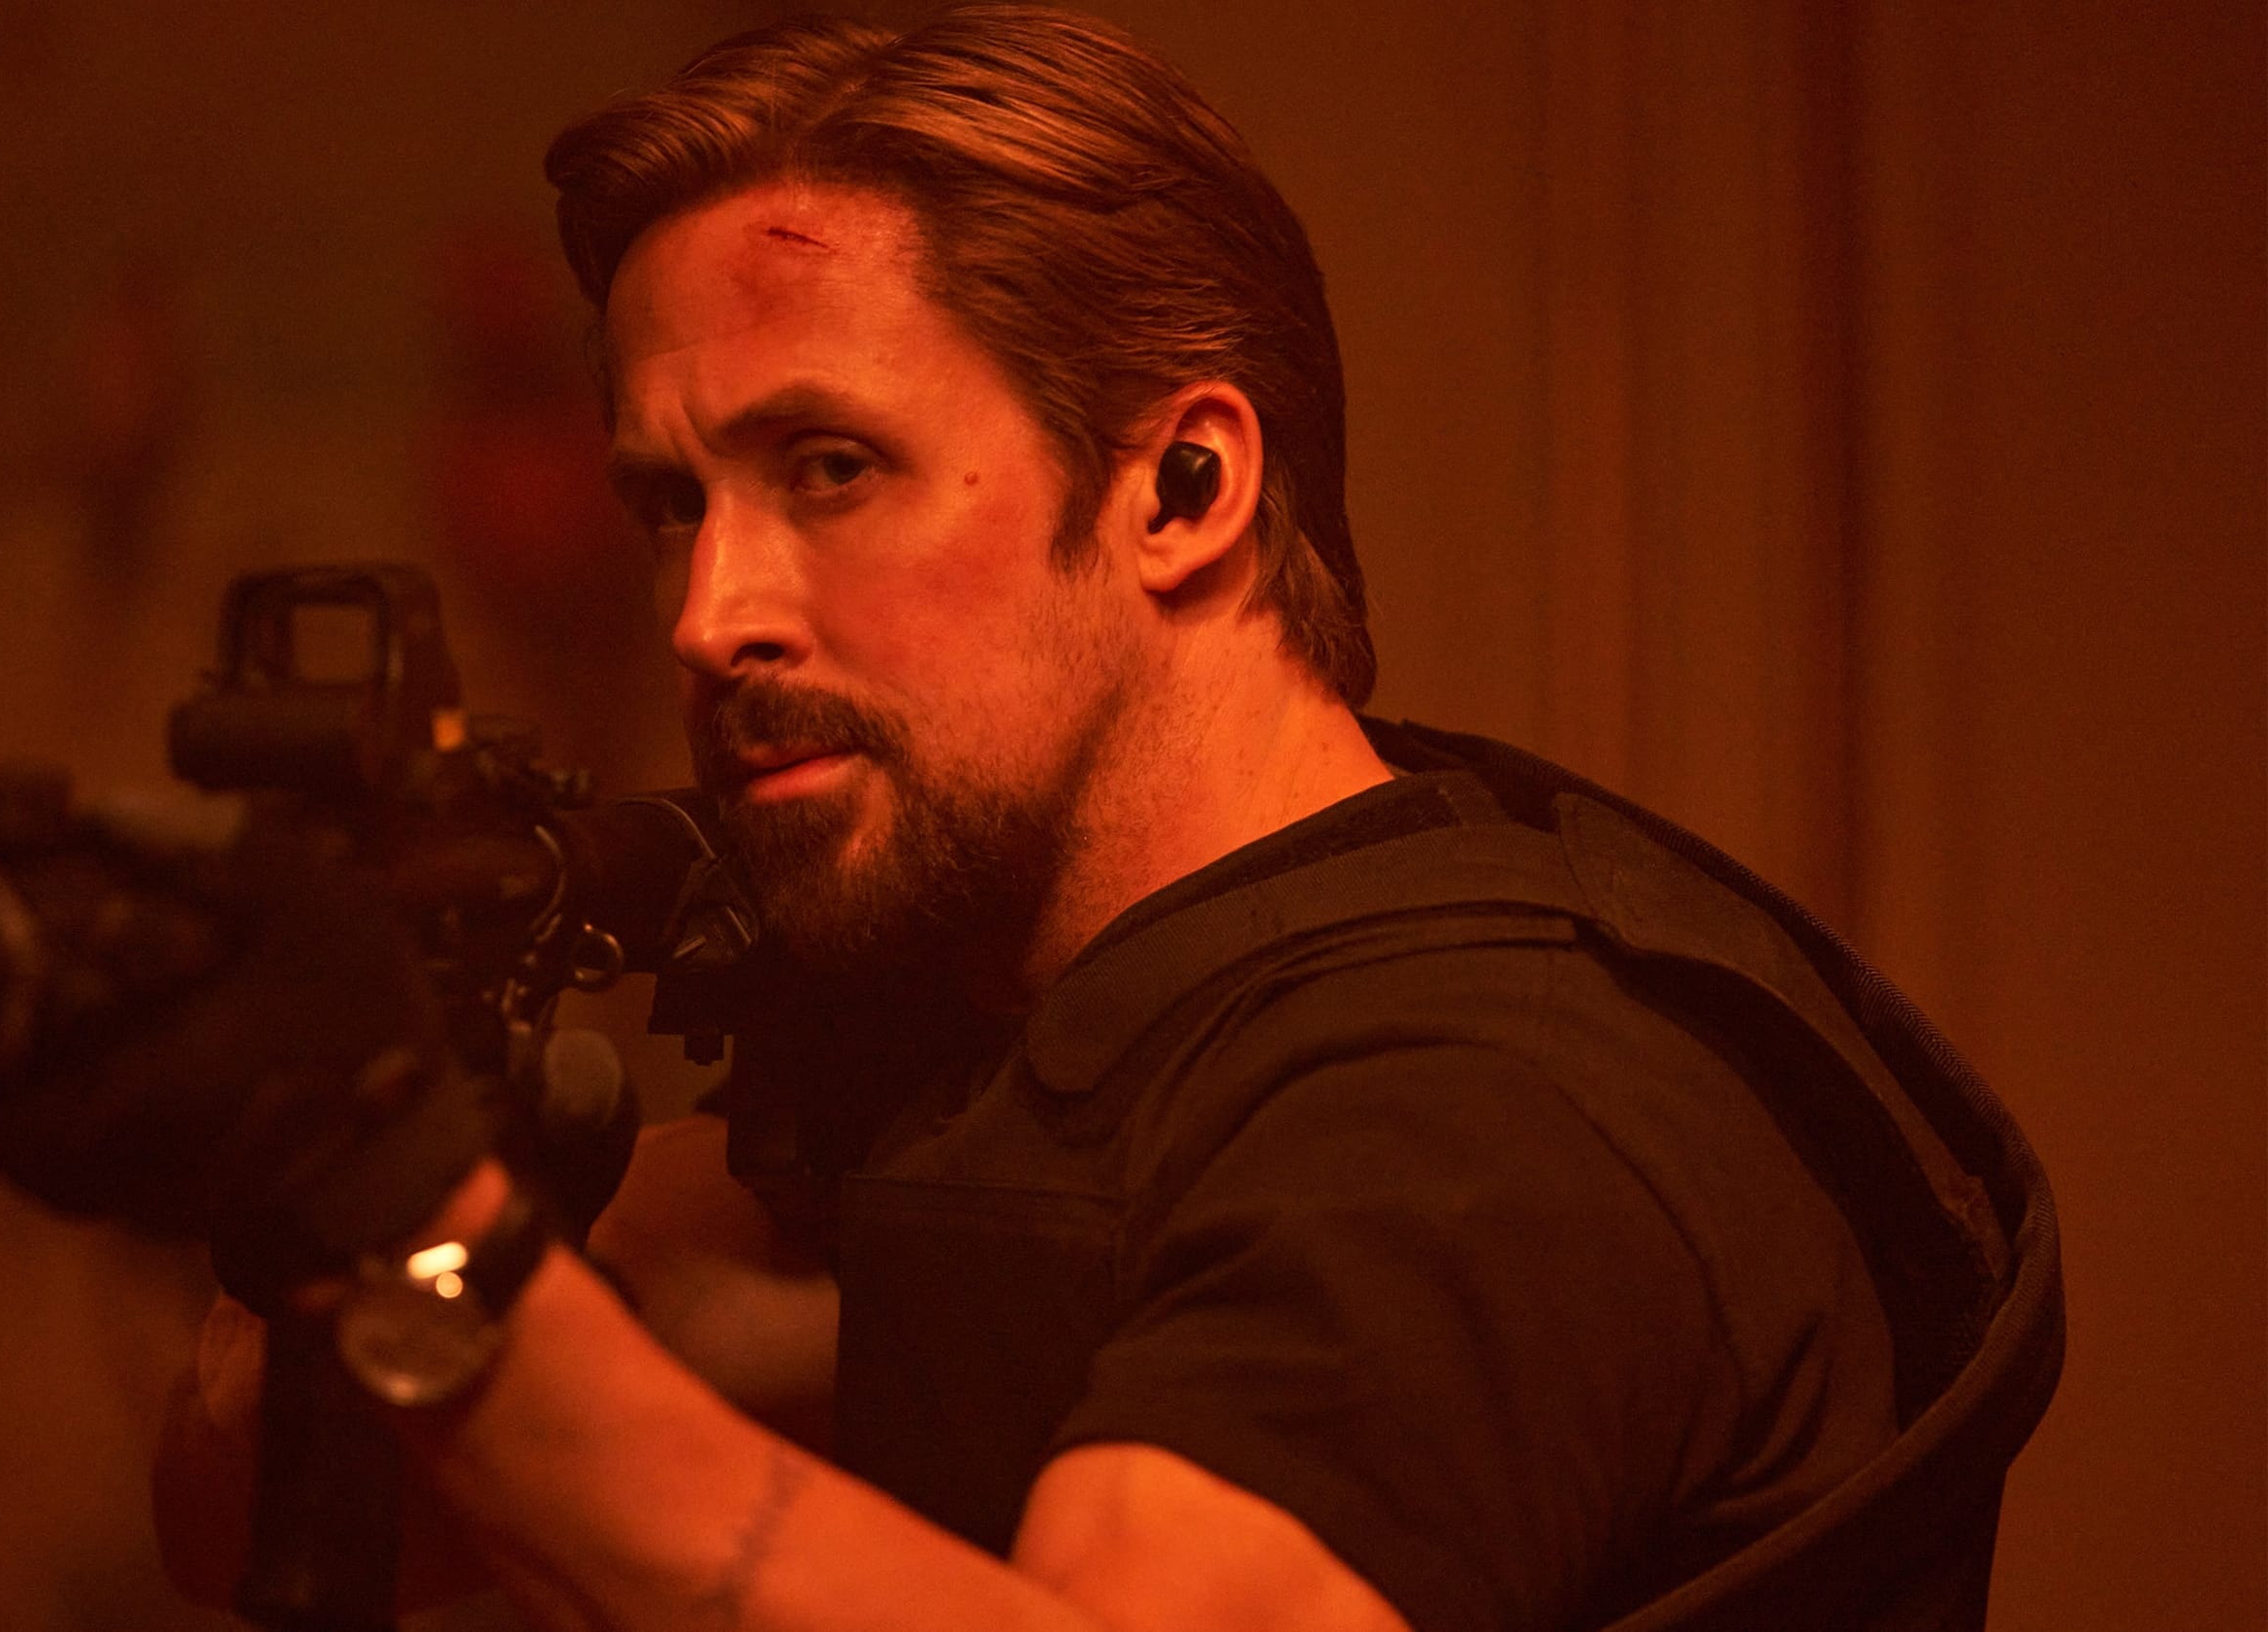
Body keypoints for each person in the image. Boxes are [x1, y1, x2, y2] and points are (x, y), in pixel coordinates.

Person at [153, 9, 2060, 1630]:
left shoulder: (1473, 1102)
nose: (708, 612)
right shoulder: (1003, 1030)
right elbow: (247, 1513)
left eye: (831, 467)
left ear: (1182, 487)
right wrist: (331, 1168)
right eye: (674, 501)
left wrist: (432, 1245)